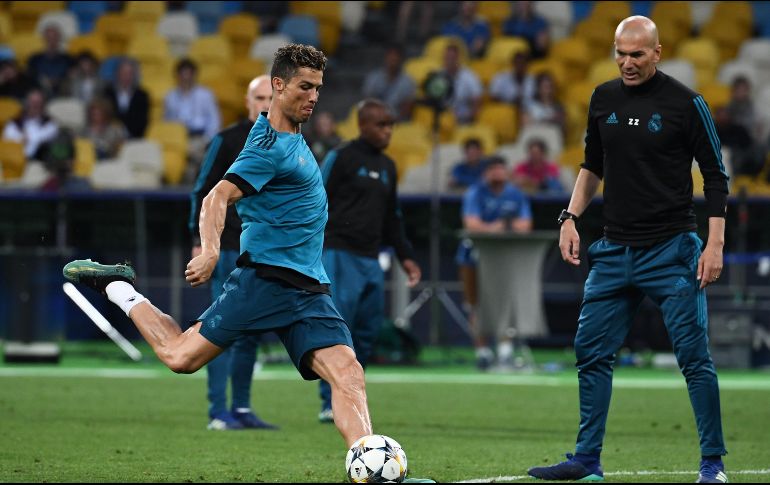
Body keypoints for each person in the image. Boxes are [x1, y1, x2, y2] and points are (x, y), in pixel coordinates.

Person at [62, 44, 433, 483]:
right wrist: (212, 249)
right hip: (266, 280)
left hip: (309, 287)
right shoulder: (267, 146)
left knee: (348, 371)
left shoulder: (295, 135)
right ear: (278, 85)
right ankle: (120, 289)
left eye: (318, 88)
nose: (313, 97)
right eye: (304, 87)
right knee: (180, 357)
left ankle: (372, 468)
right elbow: (217, 196)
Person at [526, 16, 729, 483]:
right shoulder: (603, 98)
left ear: (657, 52)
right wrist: (570, 217)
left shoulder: (686, 103)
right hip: (614, 251)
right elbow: (591, 165)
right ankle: (587, 460)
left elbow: (716, 177)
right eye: (620, 52)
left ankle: (713, 465)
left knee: (694, 359)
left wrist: (714, 244)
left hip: (671, 250)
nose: (627, 62)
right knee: (590, 353)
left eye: (637, 54)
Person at [316, 98, 422, 423]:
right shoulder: (341, 157)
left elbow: (393, 217)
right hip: (338, 253)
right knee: (337, 329)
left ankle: (350, 393)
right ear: (363, 125)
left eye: (391, 125)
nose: (388, 131)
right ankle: (328, 400)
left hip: (371, 258)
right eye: (381, 124)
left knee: (367, 329)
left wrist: (406, 256)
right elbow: (315, 198)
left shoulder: (389, 166)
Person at [189, 74, 278, 431]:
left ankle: (240, 408)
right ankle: (217, 411)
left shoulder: (287, 141)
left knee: (251, 331)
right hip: (227, 248)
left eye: (271, 97)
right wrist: (199, 241)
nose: (265, 104)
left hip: (264, 252)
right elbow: (202, 190)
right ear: (247, 102)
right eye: (259, 97)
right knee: (220, 328)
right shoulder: (227, 140)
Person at [455, 156, 532, 370]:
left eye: (501, 168)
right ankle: (482, 353)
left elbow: (525, 225)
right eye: (492, 169)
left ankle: (505, 353)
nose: (497, 173)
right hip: (473, 257)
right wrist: (499, 227)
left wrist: (492, 227)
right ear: (485, 173)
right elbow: (471, 224)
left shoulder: (516, 195)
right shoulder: (475, 193)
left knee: (505, 305)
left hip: (504, 259)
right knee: (476, 305)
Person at [163, 58, 221, 177]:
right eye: (183, 76)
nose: (186, 79)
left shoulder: (206, 94)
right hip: (178, 139)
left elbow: (215, 121)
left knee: (197, 155)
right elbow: (167, 122)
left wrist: (207, 140)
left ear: (194, 76)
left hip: (200, 138)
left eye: (188, 75)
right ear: (177, 76)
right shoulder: (170, 96)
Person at [361, 43, 416, 122]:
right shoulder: (373, 77)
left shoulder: (408, 82)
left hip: (396, 123)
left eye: (396, 57)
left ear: (401, 59)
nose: (393, 60)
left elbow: (406, 109)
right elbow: (367, 102)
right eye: (390, 56)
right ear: (385, 57)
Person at [2, 88, 59, 159]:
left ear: (43, 104)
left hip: (38, 160)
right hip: (13, 159)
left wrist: (25, 139)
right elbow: (7, 137)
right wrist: (21, 139)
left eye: (38, 102)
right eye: (32, 102)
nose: (35, 105)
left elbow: (41, 138)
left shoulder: (49, 123)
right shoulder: (16, 121)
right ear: (27, 103)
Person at [103, 58, 150, 139]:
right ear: (117, 74)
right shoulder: (108, 93)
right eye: (123, 73)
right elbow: (105, 115)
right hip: (110, 136)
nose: (126, 76)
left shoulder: (142, 95)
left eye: (129, 73)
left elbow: (142, 120)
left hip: (135, 136)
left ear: (134, 75)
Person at [440, 42, 483, 125]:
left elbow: (477, 100)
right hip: (443, 119)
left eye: (452, 58)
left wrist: (470, 118)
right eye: (447, 58)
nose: (449, 61)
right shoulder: (438, 75)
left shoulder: (470, 76)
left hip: (463, 120)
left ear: (458, 58)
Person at [27, 24, 73, 97]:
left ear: (59, 38)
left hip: (63, 95)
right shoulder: (34, 59)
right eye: (49, 37)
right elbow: (30, 77)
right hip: (41, 95)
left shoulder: (68, 59)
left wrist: (58, 81)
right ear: (44, 38)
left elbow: (71, 77)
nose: (51, 40)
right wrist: (44, 81)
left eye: (54, 37)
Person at [522, 72, 567, 139]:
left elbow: (562, 128)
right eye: (546, 87)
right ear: (538, 89)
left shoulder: (559, 107)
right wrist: (548, 121)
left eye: (551, 86)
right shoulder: (530, 106)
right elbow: (526, 125)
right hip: (532, 138)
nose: (549, 91)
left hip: (551, 139)